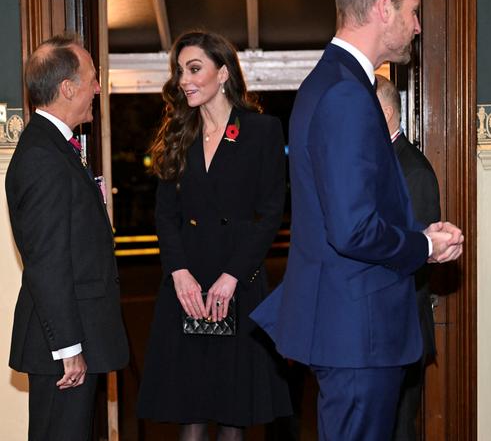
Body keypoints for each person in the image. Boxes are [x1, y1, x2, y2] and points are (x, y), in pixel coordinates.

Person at [251, 0, 463, 440]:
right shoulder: (346, 93)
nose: (417, 25)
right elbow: (352, 229)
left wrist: (418, 234)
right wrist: (425, 248)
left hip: (348, 327)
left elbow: (349, 213)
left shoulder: (332, 82)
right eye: (412, 11)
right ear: (384, 8)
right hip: (358, 333)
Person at [136, 31, 292, 441]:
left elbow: (271, 213)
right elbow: (165, 216)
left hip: (237, 283)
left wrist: (232, 276)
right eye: (180, 71)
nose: (184, 79)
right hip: (186, 286)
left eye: (194, 68)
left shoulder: (262, 130)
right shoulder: (178, 134)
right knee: (191, 411)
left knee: (232, 415)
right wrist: (179, 273)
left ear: (223, 73)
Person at [5, 34, 129, 440]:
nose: (98, 87)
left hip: (74, 337)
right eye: (92, 78)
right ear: (67, 88)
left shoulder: (55, 147)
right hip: (63, 346)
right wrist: (69, 349)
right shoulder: (43, 156)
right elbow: (48, 260)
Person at [375, 74, 439, 441]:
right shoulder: (381, 163)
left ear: (384, 113)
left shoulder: (412, 170)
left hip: (400, 329)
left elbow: (416, 255)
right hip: (381, 331)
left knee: (399, 430)